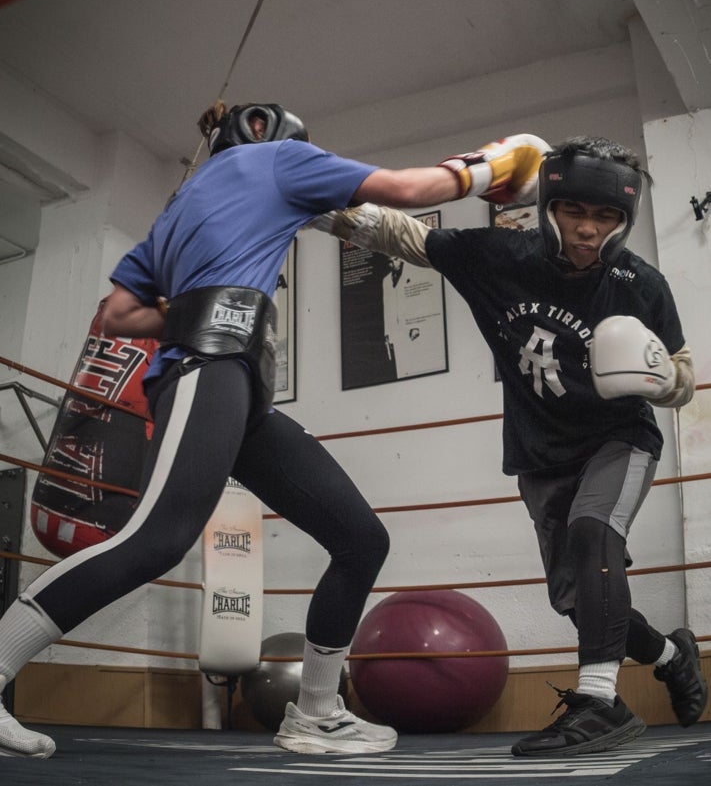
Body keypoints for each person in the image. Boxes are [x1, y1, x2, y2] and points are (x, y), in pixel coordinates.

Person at [0, 100, 525, 759]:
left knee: (359, 538)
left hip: (240, 386)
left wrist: (188, 307)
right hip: (209, 367)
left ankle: (315, 713)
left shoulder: (175, 216)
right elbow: (407, 191)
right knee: (157, 539)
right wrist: (494, 166)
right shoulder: (274, 159)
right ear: (260, 132)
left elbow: (117, 314)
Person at [310, 135, 708, 756]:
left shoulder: (639, 285)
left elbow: (682, 373)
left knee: (593, 530)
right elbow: (399, 235)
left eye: (606, 218)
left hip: (618, 440)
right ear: (548, 208)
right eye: (575, 212)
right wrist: (294, 193)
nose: (587, 231)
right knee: (578, 602)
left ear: (624, 223)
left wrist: (665, 380)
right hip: (539, 453)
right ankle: (670, 655)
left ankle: (601, 702)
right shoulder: (501, 256)